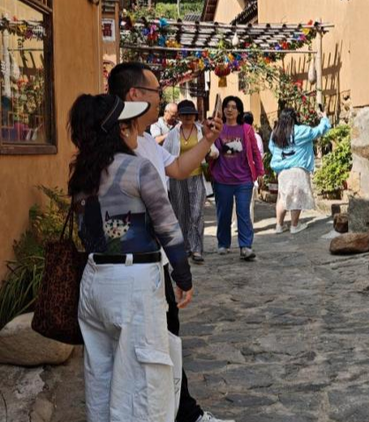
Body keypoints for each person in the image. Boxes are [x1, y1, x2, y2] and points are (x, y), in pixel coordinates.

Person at [108, 62, 233, 422]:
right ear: (135, 95)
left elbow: (177, 168)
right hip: (133, 264)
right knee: (151, 348)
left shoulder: (146, 140)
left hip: (155, 261)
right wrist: (182, 271)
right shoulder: (115, 144)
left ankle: (184, 412)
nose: (162, 99)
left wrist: (207, 140)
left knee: (168, 338)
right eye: (156, 92)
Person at [69, 94, 191, 421]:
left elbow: (86, 232)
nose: (137, 128)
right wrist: (182, 275)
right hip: (132, 284)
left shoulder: (82, 173)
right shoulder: (138, 168)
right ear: (120, 130)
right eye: (131, 123)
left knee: (100, 378)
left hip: (94, 282)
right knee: (143, 386)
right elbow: (167, 227)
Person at [208, 96, 263, 261]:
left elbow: (255, 152)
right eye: (227, 106)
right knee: (223, 213)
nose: (229, 110)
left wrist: (260, 172)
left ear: (239, 111)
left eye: (233, 107)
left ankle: (245, 246)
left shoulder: (247, 129)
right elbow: (214, 149)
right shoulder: (218, 129)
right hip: (222, 179)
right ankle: (223, 243)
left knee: (243, 212)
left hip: (244, 179)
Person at [269, 106, 330, 234]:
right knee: (296, 198)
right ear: (294, 117)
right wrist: (324, 118)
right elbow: (318, 131)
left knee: (282, 197)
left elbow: (272, 148)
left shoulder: (275, 133)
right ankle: (294, 226)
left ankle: (279, 226)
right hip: (298, 170)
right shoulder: (301, 131)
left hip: (282, 171)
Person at [164, 100, 212, 264]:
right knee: (181, 214)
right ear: (179, 116)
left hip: (197, 176)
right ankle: (185, 247)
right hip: (177, 178)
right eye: (184, 114)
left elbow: (213, 150)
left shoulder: (201, 131)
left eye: (190, 114)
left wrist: (209, 153)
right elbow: (165, 155)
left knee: (197, 213)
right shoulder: (172, 134)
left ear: (195, 115)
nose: (188, 117)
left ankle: (197, 248)